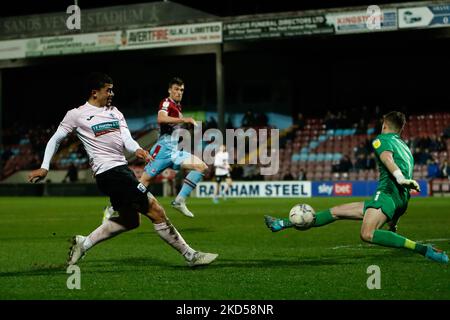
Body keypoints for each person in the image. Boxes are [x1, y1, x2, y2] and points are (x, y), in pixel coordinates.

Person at [28, 72, 218, 267]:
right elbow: (56, 139)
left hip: (120, 171)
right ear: (95, 93)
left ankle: (83, 243)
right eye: (108, 90)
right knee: (156, 210)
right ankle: (190, 255)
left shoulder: (115, 112)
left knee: (130, 221)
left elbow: (126, 139)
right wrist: (44, 167)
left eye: (112, 90)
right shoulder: (76, 114)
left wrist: (138, 150)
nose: (112, 93)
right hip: (110, 173)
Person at [264, 111, 448, 264]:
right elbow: (401, 190)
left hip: (386, 195)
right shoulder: (406, 148)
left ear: (384, 125)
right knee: (335, 212)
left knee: (367, 234)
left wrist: (399, 178)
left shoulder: (381, 139)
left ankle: (424, 250)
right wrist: (394, 221)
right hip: (399, 199)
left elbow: (387, 158)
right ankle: (282, 223)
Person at [121, 77, 207, 219]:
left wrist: (185, 126)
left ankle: (179, 201)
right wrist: (184, 119)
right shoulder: (167, 102)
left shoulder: (178, 107)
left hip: (174, 151)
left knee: (201, 166)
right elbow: (161, 118)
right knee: (143, 183)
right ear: (169, 90)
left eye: (181, 90)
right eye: (176, 89)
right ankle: (113, 207)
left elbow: (174, 126)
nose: (179, 92)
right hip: (163, 150)